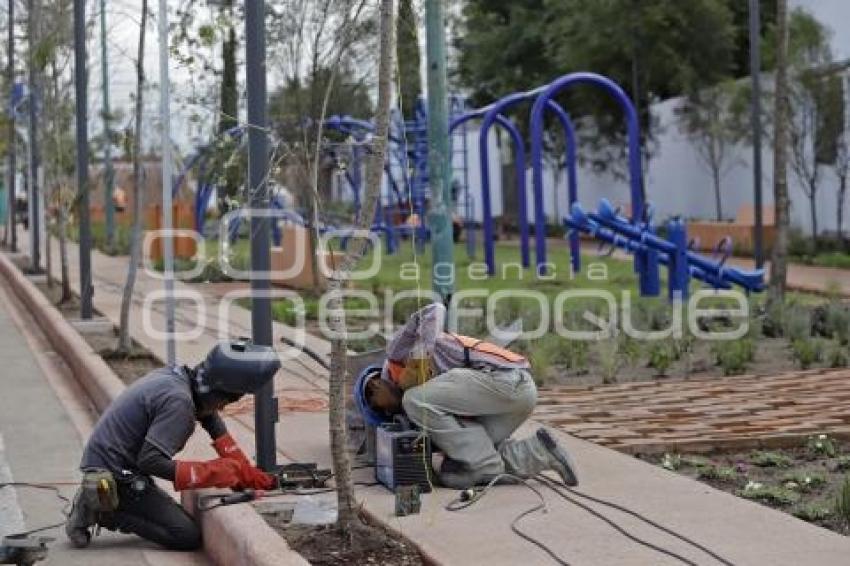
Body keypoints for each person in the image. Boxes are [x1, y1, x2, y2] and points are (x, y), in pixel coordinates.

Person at [65, 340, 281, 551]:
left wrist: (244, 469)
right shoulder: (179, 405)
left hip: (117, 460)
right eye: (230, 400)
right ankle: (104, 512)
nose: (225, 407)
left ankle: (112, 501)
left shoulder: (182, 378)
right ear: (218, 392)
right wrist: (213, 471)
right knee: (185, 535)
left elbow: (212, 420)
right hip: (117, 473)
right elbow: (150, 461)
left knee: (169, 516)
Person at [363, 303, 579, 489]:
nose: (385, 410)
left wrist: (420, 357)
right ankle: (540, 451)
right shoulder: (425, 405)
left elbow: (434, 310)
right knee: (476, 455)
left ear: (374, 384)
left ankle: (486, 470)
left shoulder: (397, 353)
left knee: (414, 400)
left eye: (376, 404)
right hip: (513, 398)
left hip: (506, 380)